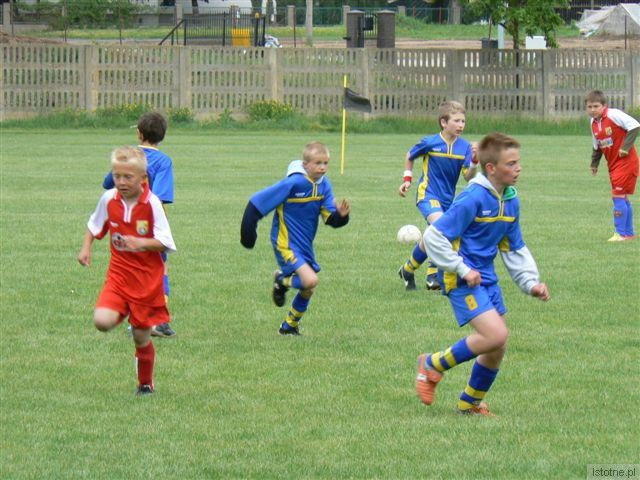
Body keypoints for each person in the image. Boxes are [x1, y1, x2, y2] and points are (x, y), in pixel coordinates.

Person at [417, 133, 550, 416]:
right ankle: (431, 364)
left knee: (497, 346)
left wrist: (531, 283)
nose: (518, 168)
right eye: (511, 164)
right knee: (495, 334)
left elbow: (513, 247)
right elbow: (433, 237)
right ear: (491, 168)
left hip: (486, 277)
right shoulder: (473, 197)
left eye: (518, 162)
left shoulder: (510, 200)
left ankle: (470, 404)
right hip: (462, 278)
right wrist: (462, 268)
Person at [78, 147, 177, 395]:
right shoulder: (109, 199)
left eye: (127, 177)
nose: (121, 182)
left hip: (146, 282)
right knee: (102, 321)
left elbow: (166, 242)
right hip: (119, 277)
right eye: (116, 176)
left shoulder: (152, 204)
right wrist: (86, 247)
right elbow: (94, 224)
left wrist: (141, 243)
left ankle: (145, 384)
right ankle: (124, 310)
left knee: (141, 338)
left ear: (143, 178)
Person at [240, 142, 350, 335]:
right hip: (286, 244)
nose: (322, 167)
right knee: (310, 280)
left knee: (308, 289)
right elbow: (257, 203)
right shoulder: (293, 184)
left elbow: (330, 218)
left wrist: (341, 216)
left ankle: (289, 326)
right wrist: (248, 235)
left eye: (325, 163)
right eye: (318, 163)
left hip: (305, 246)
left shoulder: (324, 185)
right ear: (305, 164)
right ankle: (282, 280)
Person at [103, 112, 177, 336]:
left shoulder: (128, 158)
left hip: (125, 220)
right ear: (162, 136)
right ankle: (153, 321)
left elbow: (108, 182)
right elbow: (160, 197)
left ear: (139, 133)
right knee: (158, 268)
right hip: (148, 222)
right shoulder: (163, 161)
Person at [398, 101, 478, 291]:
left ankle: (408, 269)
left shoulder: (465, 148)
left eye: (463, 121)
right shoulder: (430, 142)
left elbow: (468, 177)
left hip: (448, 200)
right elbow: (410, 155)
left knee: (433, 235)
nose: (461, 125)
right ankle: (433, 275)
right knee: (442, 229)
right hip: (427, 194)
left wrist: (475, 163)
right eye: (456, 121)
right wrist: (407, 179)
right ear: (443, 122)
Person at [586, 90, 639, 242]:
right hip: (613, 165)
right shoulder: (593, 122)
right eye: (589, 107)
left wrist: (625, 147)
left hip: (626, 162)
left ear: (604, 105)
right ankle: (629, 233)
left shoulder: (613, 114)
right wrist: (594, 163)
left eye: (596, 106)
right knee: (623, 197)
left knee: (617, 196)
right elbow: (597, 145)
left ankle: (620, 233)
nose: (592, 110)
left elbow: (635, 125)